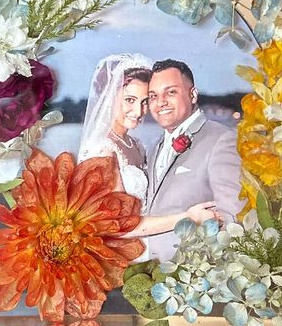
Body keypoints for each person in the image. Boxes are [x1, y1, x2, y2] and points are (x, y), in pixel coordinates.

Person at [77, 54, 219, 241]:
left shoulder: (135, 145)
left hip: (151, 244)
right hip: (124, 251)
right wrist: (188, 217)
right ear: (109, 96)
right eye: (129, 100)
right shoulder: (104, 151)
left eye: (145, 102)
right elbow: (118, 225)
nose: (138, 111)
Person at [144, 58, 242, 262]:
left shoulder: (221, 139)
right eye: (153, 96)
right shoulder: (155, 147)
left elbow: (234, 218)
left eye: (170, 92)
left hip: (196, 279)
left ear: (193, 94)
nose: (160, 102)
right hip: (153, 274)